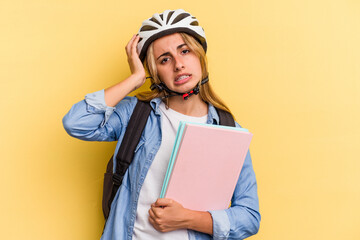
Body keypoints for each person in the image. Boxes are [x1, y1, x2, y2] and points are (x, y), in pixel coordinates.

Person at [63, 9, 260, 240]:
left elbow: (249, 217)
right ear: (155, 72)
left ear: (199, 56)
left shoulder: (228, 130)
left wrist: (187, 218)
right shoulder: (137, 114)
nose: (178, 65)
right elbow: (77, 122)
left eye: (185, 51)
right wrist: (136, 79)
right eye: (164, 59)